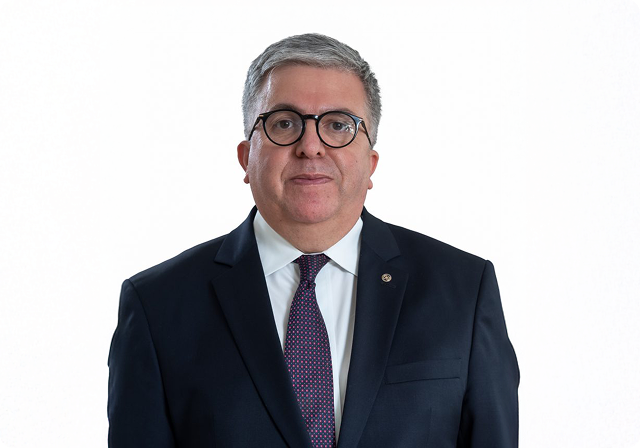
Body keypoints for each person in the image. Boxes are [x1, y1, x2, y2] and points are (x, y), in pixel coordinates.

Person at [108, 33, 519, 448]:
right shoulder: (157, 305)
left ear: (371, 162)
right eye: (284, 123)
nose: (310, 147)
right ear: (246, 157)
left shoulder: (464, 290)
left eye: (338, 125)